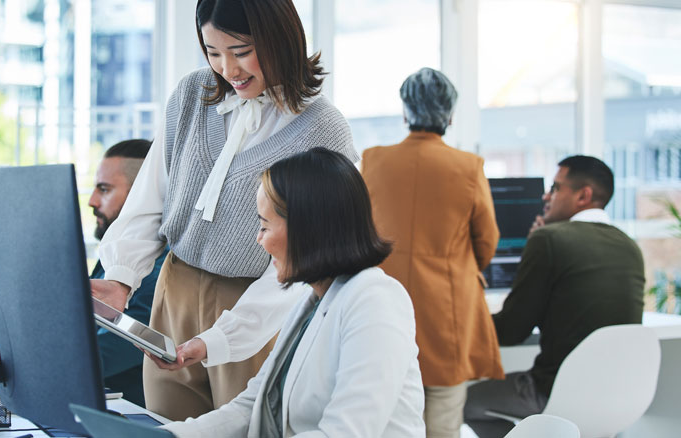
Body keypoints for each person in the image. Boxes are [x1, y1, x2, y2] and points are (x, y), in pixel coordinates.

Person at [90, 0, 356, 421]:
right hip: (173, 292)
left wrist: (226, 336)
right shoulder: (192, 96)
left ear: (279, 38)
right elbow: (150, 200)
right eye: (213, 52)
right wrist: (120, 279)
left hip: (256, 308)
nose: (228, 70)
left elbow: (305, 259)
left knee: (243, 428)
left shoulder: (323, 130)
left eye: (241, 50)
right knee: (167, 427)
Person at [141, 147, 423, 437]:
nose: (259, 240)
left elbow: (346, 432)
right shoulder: (309, 301)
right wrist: (168, 435)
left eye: (264, 226)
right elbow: (251, 406)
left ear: (307, 229)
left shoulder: (375, 300)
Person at [0, 139, 167, 408]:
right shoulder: (115, 261)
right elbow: (72, 333)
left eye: (104, 189)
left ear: (142, 198)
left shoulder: (158, 271)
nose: (92, 201)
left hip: (122, 415)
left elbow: (98, 355)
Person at [360, 67, 503, 438]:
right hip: (446, 313)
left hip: (384, 308)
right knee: (442, 422)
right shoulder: (469, 167)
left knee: (387, 419)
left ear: (405, 112)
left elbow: (357, 232)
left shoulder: (373, 161)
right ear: (450, 115)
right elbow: (487, 240)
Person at [463, 155, 645, 438]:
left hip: (553, 393)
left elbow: (512, 330)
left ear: (583, 195)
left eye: (556, 188)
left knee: (463, 403)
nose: (546, 196)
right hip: (619, 399)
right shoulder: (629, 246)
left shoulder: (549, 239)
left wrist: (461, 322)